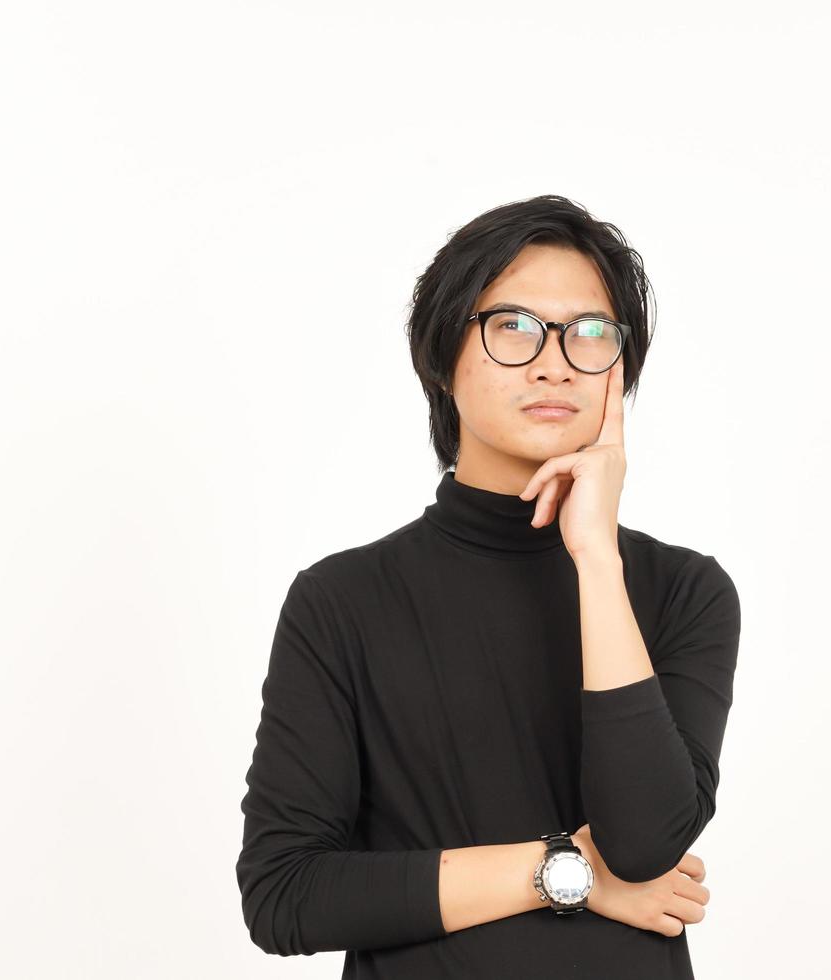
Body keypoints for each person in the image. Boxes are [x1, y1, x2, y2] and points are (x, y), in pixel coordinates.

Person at [235, 194, 742, 978]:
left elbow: (643, 846)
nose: (554, 363)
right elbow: (286, 894)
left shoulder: (682, 591)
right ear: (442, 356)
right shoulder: (342, 602)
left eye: (589, 334)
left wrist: (597, 560)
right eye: (513, 326)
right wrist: (565, 874)